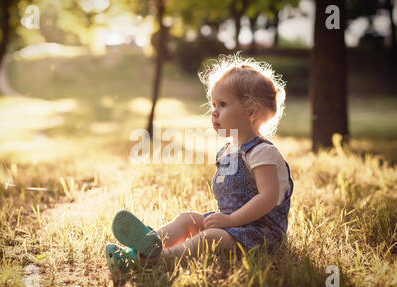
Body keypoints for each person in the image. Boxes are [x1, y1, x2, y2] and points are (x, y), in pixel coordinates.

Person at [105, 54, 294, 273]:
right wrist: (228, 221)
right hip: (231, 226)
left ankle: (157, 260)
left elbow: (267, 197)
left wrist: (231, 220)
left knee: (209, 237)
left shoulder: (262, 152)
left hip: (260, 234)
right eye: (213, 104)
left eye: (223, 104)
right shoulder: (227, 152)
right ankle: (145, 246)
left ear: (250, 112)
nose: (214, 112)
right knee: (187, 219)